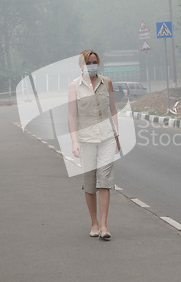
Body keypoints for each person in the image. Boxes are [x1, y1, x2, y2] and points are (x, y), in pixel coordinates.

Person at [68, 49, 119, 240]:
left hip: (106, 137)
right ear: (81, 65)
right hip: (86, 140)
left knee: (104, 181)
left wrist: (117, 135)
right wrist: (74, 142)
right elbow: (72, 116)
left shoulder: (107, 83)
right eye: (88, 63)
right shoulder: (74, 86)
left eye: (94, 62)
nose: (92, 66)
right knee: (90, 184)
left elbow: (113, 110)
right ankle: (94, 223)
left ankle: (104, 226)